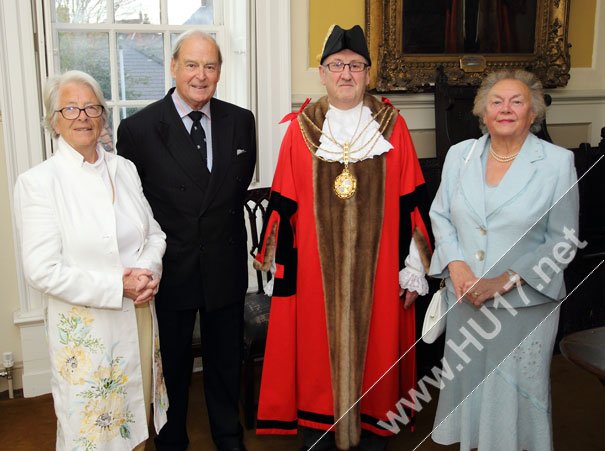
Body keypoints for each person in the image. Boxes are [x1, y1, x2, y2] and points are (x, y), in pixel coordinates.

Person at [254, 25, 432, 451]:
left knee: (378, 365)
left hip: (381, 274)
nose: (346, 74)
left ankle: (372, 437)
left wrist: (414, 270)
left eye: (355, 65)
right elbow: (283, 205)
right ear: (322, 73)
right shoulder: (300, 131)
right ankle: (319, 434)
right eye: (337, 65)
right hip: (317, 280)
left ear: (368, 73)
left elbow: (413, 203)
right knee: (316, 365)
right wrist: (281, 274)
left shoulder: (393, 127)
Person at [13, 70, 168, 450]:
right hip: (88, 333)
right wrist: (119, 285)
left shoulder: (124, 169)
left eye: (91, 107)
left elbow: (154, 234)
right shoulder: (38, 182)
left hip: (141, 315)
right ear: (54, 120)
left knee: (138, 423)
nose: (82, 115)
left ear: (102, 116)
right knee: (95, 434)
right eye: (70, 108)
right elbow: (42, 270)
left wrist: (147, 272)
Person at [116, 30, 257, 451]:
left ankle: (228, 436)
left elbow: (234, 188)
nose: (200, 75)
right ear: (173, 66)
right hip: (170, 267)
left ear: (219, 72)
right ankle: (172, 440)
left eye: (210, 66)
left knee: (225, 363)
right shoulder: (138, 129)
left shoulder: (241, 120)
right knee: (172, 367)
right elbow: (133, 207)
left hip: (224, 263)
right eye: (191, 65)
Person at [428, 69, 579, 450]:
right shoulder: (459, 155)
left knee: (514, 397)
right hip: (465, 298)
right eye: (497, 101)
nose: (506, 109)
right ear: (483, 113)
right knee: (472, 393)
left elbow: (564, 240)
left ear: (533, 113)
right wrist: (457, 266)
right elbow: (441, 215)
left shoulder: (557, 163)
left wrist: (504, 280)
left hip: (523, 305)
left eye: (517, 101)